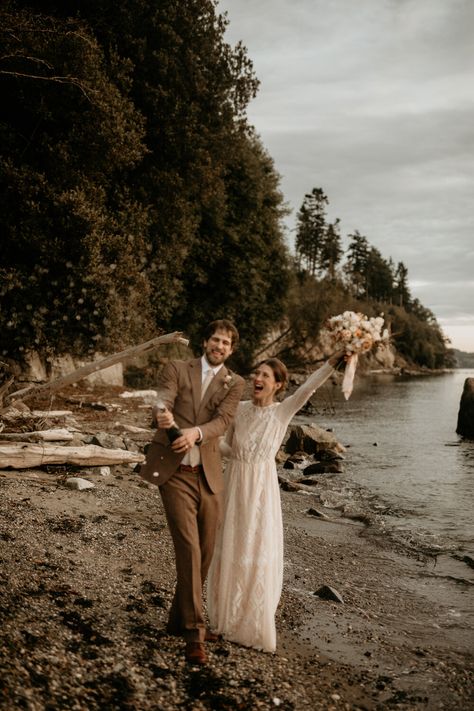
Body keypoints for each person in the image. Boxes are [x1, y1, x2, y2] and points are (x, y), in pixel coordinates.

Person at [207, 351, 344, 653]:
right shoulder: (239, 409)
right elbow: (227, 445)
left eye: (265, 376)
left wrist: (333, 362)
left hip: (261, 490)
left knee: (255, 549)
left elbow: (308, 387)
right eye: (256, 373)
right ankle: (221, 622)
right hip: (234, 485)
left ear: (278, 385)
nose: (257, 379)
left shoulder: (282, 412)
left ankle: (250, 623)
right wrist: (210, 441)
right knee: (228, 546)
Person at [140, 319, 245, 665]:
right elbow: (163, 399)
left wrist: (196, 433)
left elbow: (223, 421)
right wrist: (164, 417)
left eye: (226, 343)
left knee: (205, 553)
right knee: (188, 549)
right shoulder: (176, 368)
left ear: (231, 349)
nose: (219, 346)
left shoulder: (235, 383)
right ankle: (194, 634)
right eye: (215, 339)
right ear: (205, 341)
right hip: (174, 473)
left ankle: (176, 620)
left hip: (210, 476)